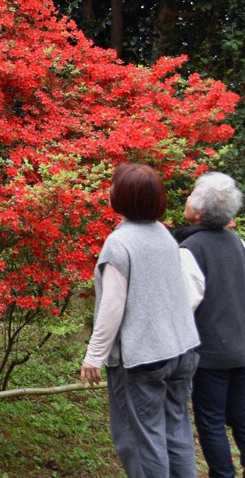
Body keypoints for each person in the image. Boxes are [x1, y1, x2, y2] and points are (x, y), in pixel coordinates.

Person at [80, 162, 201, 477]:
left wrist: (94, 355)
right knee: (176, 431)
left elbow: (112, 306)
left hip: (143, 358)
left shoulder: (119, 244)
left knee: (142, 441)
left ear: (122, 196)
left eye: (113, 185)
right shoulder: (163, 234)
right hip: (181, 348)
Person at [175, 172, 245, 478]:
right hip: (242, 348)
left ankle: (222, 475)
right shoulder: (239, 243)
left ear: (199, 211)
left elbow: (185, 305)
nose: (187, 198)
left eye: (191, 194)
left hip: (210, 353)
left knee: (212, 420)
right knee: (242, 417)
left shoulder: (190, 250)